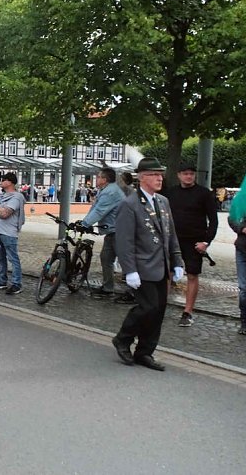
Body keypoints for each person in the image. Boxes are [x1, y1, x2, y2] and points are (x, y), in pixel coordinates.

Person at [111, 158, 184, 372]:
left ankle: (145, 352)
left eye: (160, 174)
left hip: (161, 266)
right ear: (142, 178)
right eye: (154, 175)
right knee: (148, 306)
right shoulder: (129, 204)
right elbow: (124, 241)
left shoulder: (163, 201)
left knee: (158, 310)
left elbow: (171, 234)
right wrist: (130, 270)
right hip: (142, 267)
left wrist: (177, 261)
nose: (159, 178)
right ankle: (123, 338)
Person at [164, 164, 218, 327]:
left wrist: (206, 242)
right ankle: (160, 307)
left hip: (194, 241)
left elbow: (213, 220)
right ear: (179, 175)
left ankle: (187, 312)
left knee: (192, 275)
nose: (188, 176)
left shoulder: (204, 193)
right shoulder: (171, 193)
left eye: (191, 174)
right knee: (167, 273)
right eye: (185, 173)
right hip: (173, 240)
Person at [79, 167, 126, 298]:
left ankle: (134, 293)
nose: (97, 179)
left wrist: (85, 224)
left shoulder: (110, 192)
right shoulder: (105, 190)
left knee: (125, 261)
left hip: (120, 231)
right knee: (106, 258)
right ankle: (108, 288)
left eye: (98, 177)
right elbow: (94, 208)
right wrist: (84, 222)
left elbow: (100, 211)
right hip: (112, 231)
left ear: (105, 179)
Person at [227, 168, 246, 336]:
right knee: (244, 288)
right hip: (243, 249)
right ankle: (245, 321)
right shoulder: (241, 200)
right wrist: (242, 228)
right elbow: (232, 219)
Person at [0, 172, 26, 295]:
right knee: (0, 258)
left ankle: (17, 283)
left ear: (10, 182)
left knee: (13, 259)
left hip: (9, 232)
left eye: (3, 179)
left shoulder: (17, 197)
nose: (1, 182)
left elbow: (6, 214)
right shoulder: (1, 196)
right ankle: (2, 281)